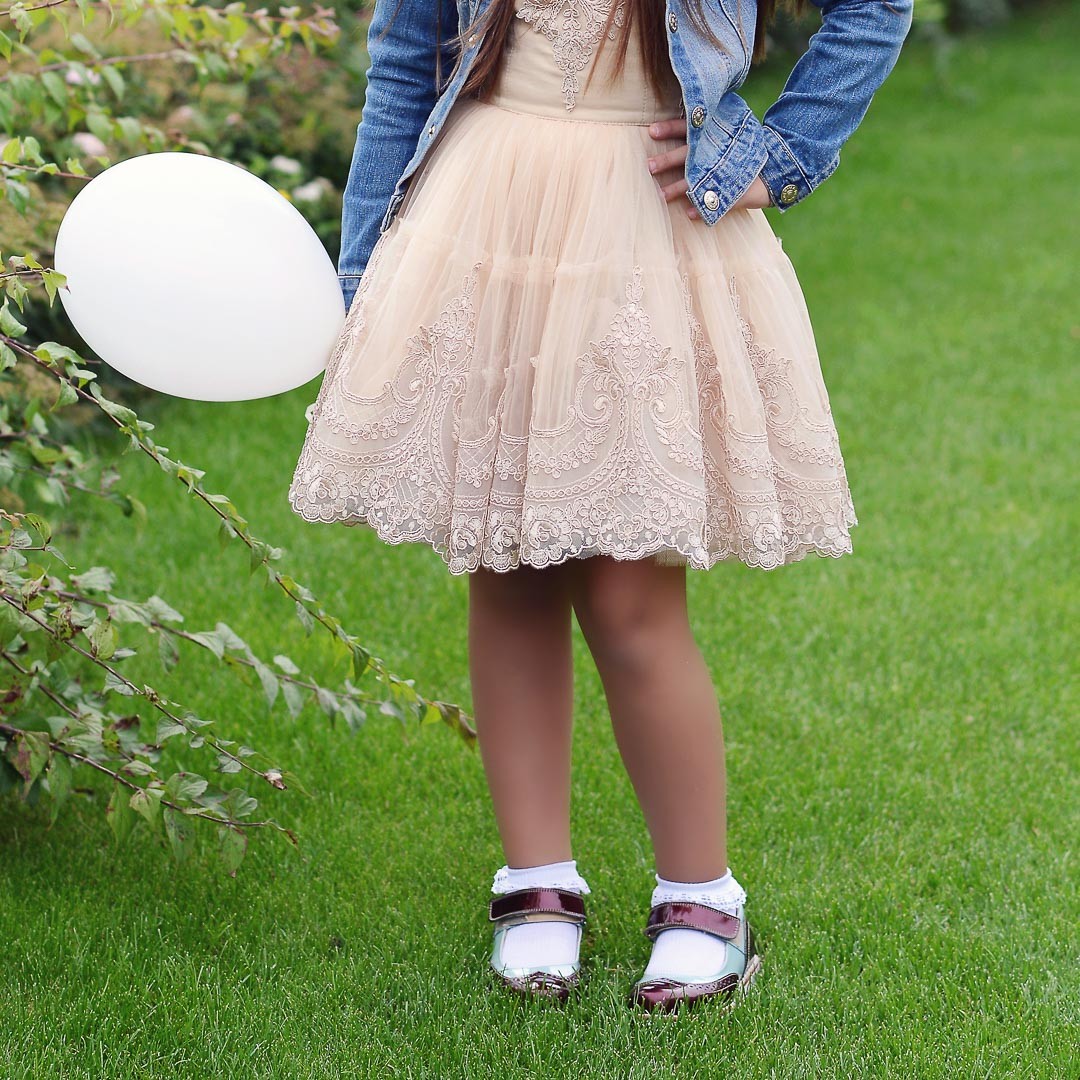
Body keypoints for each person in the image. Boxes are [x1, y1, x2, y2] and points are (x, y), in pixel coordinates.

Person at [289, 0, 913, 1013]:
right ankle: (537, 883)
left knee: (629, 599)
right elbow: (405, 58)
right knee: (509, 570)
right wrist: (361, 277)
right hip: (485, 213)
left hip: (647, 225)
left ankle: (701, 893)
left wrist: (788, 153)